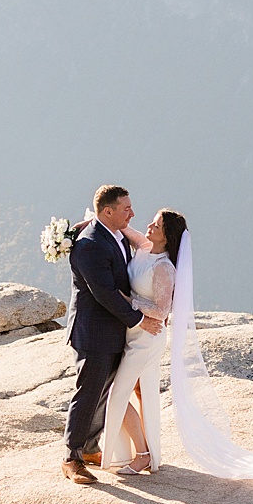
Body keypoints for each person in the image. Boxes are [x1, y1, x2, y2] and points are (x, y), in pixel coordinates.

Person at [62, 185, 163, 485]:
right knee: (88, 392)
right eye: (125, 208)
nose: (132, 213)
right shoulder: (91, 244)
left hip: (112, 331)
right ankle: (71, 458)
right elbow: (104, 292)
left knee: (103, 392)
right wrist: (138, 320)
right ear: (107, 211)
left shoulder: (115, 234)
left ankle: (90, 448)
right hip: (94, 332)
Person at [101, 208, 183, 475]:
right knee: (139, 393)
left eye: (157, 226)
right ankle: (147, 452)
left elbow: (162, 311)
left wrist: (128, 302)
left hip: (147, 339)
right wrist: (86, 223)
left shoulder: (164, 268)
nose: (150, 225)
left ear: (167, 237)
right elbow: (120, 227)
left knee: (117, 394)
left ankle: (143, 454)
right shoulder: (145, 247)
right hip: (134, 332)